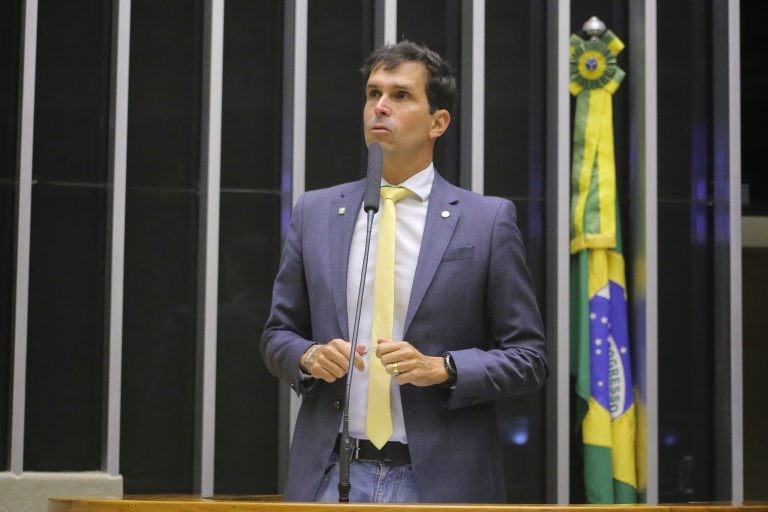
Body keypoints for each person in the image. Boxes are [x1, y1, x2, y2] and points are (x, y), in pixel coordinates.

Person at [261, 40, 547, 503]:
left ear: (438, 122)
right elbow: (277, 335)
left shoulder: (487, 221)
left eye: (400, 95)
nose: (380, 106)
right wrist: (308, 357)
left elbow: (529, 358)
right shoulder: (315, 213)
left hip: (440, 482)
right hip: (331, 475)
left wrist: (444, 368)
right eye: (373, 93)